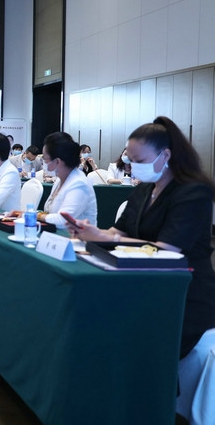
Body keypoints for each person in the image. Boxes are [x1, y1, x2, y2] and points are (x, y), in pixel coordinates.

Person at [68, 116, 215, 362]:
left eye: (141, 161)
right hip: (142, 283)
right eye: (131, 161)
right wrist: (92, 232)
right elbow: (118, 231)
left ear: (165, 155)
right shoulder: (145, 189)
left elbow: (165, 249)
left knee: (134, 343)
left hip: (183, 294)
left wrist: (105, 239)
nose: (133, 167)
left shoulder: (192, 191)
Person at [34, 132, 97, 229]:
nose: (44, 163)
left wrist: (35, 216)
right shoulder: (59, 180)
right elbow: (49, 213)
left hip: (76, 237)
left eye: (45, 159)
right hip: (56, 234)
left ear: (57, 161)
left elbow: (62, 221)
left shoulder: (79, 183)